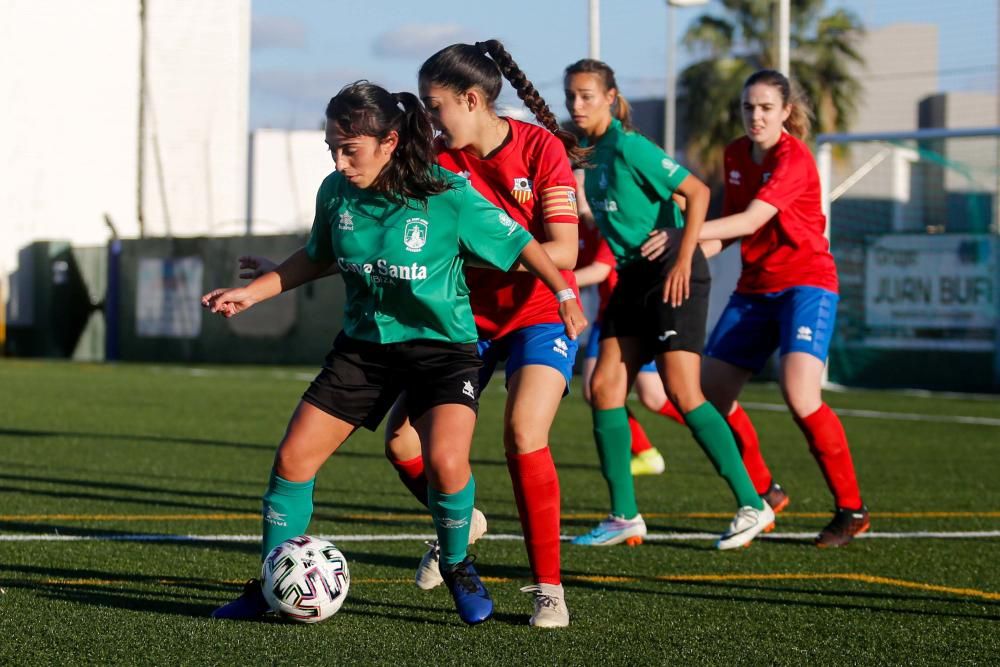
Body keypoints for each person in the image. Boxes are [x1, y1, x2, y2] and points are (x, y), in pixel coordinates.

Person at [203, 81, 586, 626]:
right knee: (292, 459)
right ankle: (271, 583)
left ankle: (456, 564)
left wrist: (567, 294)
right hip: (363, 351)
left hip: (442, 351)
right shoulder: (336, 192)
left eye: (349, 149)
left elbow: (523, 242)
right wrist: (254, 291)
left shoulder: (447, 194)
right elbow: (316, 257)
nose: (338, 160)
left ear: (388, 141)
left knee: (447, 463)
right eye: (331, 147)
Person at [378, 39, 588, 629]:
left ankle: (548, 590)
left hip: (540, 313)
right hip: (462, 322)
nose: (428, 118)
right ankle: (461, 518)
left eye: (434, 104)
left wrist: (476, 254)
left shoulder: (540, 147)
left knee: (524, 432)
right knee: (402, 445)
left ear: (472, 100)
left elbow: (565, 250)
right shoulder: (435, 160)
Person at [646, 69, 868, 547]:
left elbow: (750, 217)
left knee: (800, 394)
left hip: (805, 285)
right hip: (755, 288)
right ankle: (766, 490)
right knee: (709, 395)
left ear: (786, 110)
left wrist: (682, 234)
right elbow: (733, 232)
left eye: (766, 107)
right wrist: (679, 257)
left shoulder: (794, 157)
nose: (756, 116)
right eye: (749, 107)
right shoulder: (734, 154)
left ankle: (852, 509)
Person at [564, 58, 774, 550]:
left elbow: (697, 192)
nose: (577, 104)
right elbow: (617, 216)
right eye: (571, 95)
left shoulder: (630, 145)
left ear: (610, 98)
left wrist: (683, 256)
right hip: (632, 276)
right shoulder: (591, 155)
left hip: (672, 275)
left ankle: (753, 502)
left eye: (587, 95)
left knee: (683, 392)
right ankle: (623, 516)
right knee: (604, 387)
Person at [572, 170, 684, 477]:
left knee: (656, 396)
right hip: (606, 318)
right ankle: (645, 453)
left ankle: (714, 427)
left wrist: (555, 283)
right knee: (596, 391)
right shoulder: (583, 223)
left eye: (581, 185)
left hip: (633, 316)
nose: (576, 190)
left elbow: (598, 270)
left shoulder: (615, 219)